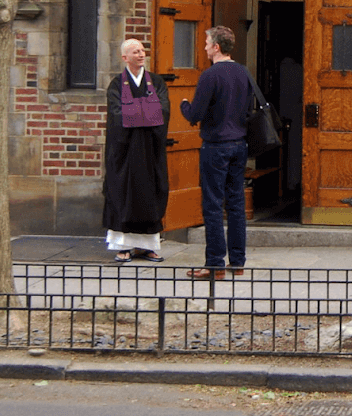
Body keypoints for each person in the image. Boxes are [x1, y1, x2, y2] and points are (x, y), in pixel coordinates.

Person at [179, 25, 252, 278]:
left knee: (212, 205)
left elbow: (196, 114)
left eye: (207, 42)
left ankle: (214, 264)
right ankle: (238, 261)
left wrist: (184, 105)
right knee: (236, 205)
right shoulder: (243, 72)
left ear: (217, 47)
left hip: (216, 145)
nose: (205, 46)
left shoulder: (211, 75)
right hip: (240, 144)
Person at [103, 38, 170, 263]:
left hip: (150, 149)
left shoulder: (157, 82)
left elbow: (161, 111)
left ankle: (148, 246)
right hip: (124, 151)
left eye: (142, 50)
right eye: (135, 52)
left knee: (150, 194)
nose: (141, 55)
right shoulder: (115, 85)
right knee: (122, 193)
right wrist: (145, 110)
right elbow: (117, 114)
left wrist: (135, 110)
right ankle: (123, 247)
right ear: (125, 57)